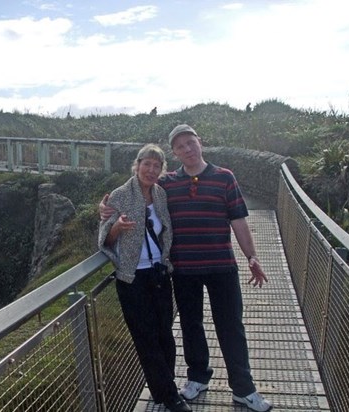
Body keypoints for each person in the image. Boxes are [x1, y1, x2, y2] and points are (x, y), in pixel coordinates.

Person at [100, 125, 272, 412]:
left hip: (222, 266)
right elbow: (135, 191)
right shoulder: (166, 183)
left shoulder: (224, 178)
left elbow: (239, 220)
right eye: (180, 147)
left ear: (200, 143)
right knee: (191, 326)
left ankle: (244, 388)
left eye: (190, 143)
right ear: (175, 152)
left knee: (231, 327)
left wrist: (252, 257)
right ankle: (197, 378)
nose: (187, 149)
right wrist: (105, 208)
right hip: (183, 269)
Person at [98, 144, 191, 412]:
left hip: (159, 272)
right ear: (137, 165)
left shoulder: (161, 194)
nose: (151, 170)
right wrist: (116, 226)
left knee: (165, 334)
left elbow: (165, 231)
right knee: (146, 336)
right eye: (146, 164)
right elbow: (104, 238)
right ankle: (170, 396)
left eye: (156, 165)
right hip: (132, 277)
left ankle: (164, 387)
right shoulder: (120, 195)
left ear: (162, 170)